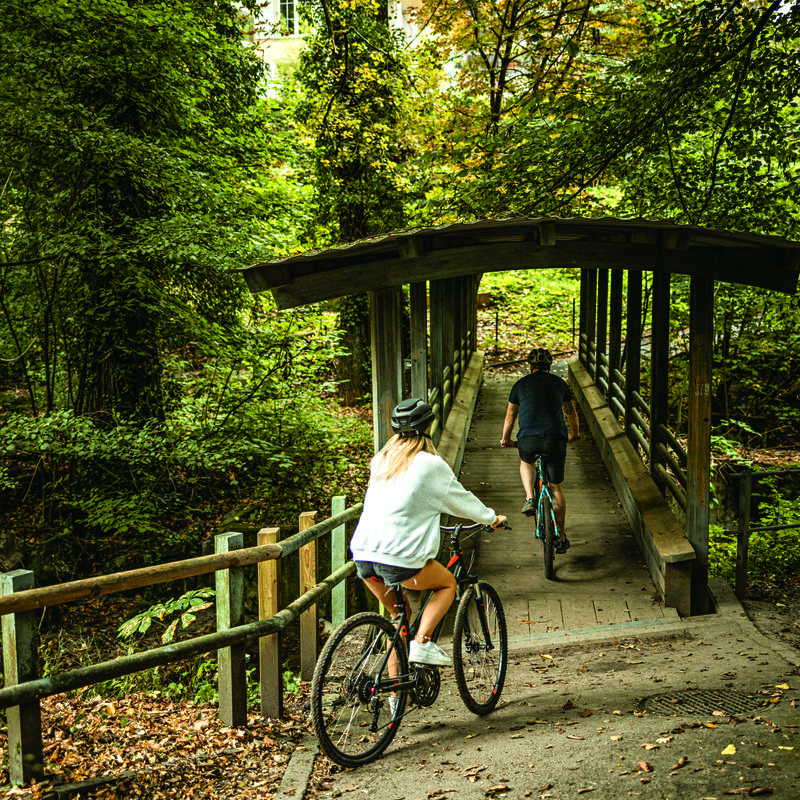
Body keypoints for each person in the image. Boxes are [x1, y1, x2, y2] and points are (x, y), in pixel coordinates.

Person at [351, 398, 507, 666]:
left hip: (363, 553)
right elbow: (463, 500)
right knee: (448, 583)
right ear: (429, 427)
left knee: (398, 618)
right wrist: (492, 518)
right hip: (398, 558)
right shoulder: (430, 464)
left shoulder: (381, 459)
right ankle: (422, 643)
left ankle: (393, 698)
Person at [500, 348, 580, 553]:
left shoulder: (520, 385)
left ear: (530, 366)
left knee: (526, 461)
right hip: (555, 439)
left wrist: (506, 439)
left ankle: (529, 498)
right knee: (556, 488)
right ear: (550, 366)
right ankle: (560, 536)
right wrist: (574, 434)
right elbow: (571, 413)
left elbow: (510, 416)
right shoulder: (560, 383)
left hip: (529, 439)